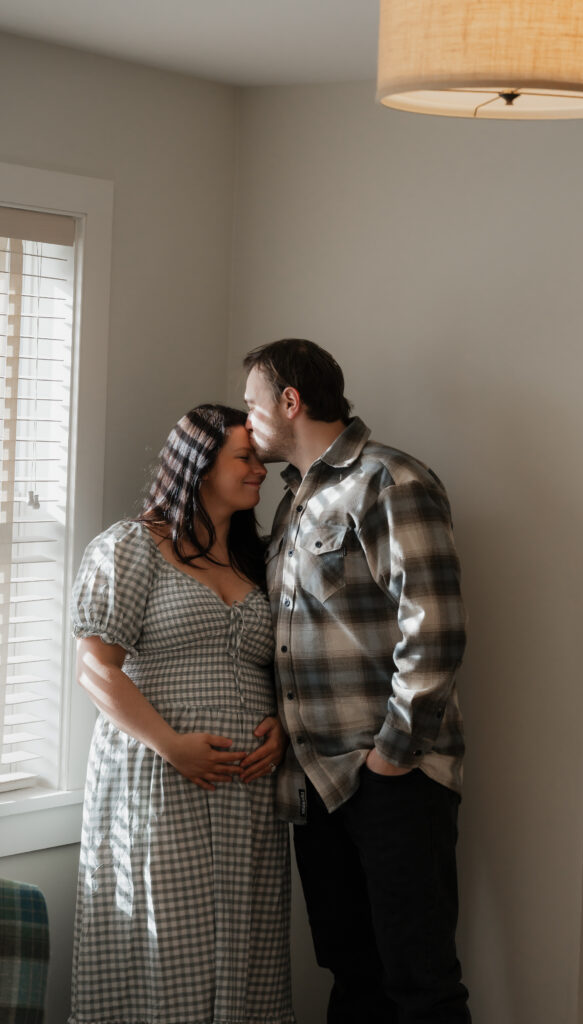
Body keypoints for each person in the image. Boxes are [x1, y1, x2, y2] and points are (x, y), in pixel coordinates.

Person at [243, 340, 471, 1023]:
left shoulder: (389, 480)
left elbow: (434, 628)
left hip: (388, 778)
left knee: (419, 980)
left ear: (290, 402)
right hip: (315, 781)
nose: (248, 425)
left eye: (254, 406)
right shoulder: (292, 506)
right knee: (352, 974)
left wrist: (390, 757)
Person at [69, 405, 295, 1024]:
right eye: (244, 458)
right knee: (166, 946)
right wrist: (173, 745)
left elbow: (274, 665)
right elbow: (97, 669)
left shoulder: (258, 560)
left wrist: (280, 724)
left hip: (246, 793)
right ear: (199, 465)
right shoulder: (133, 547)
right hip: (160, 779)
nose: (261, 472)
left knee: (246, 955)